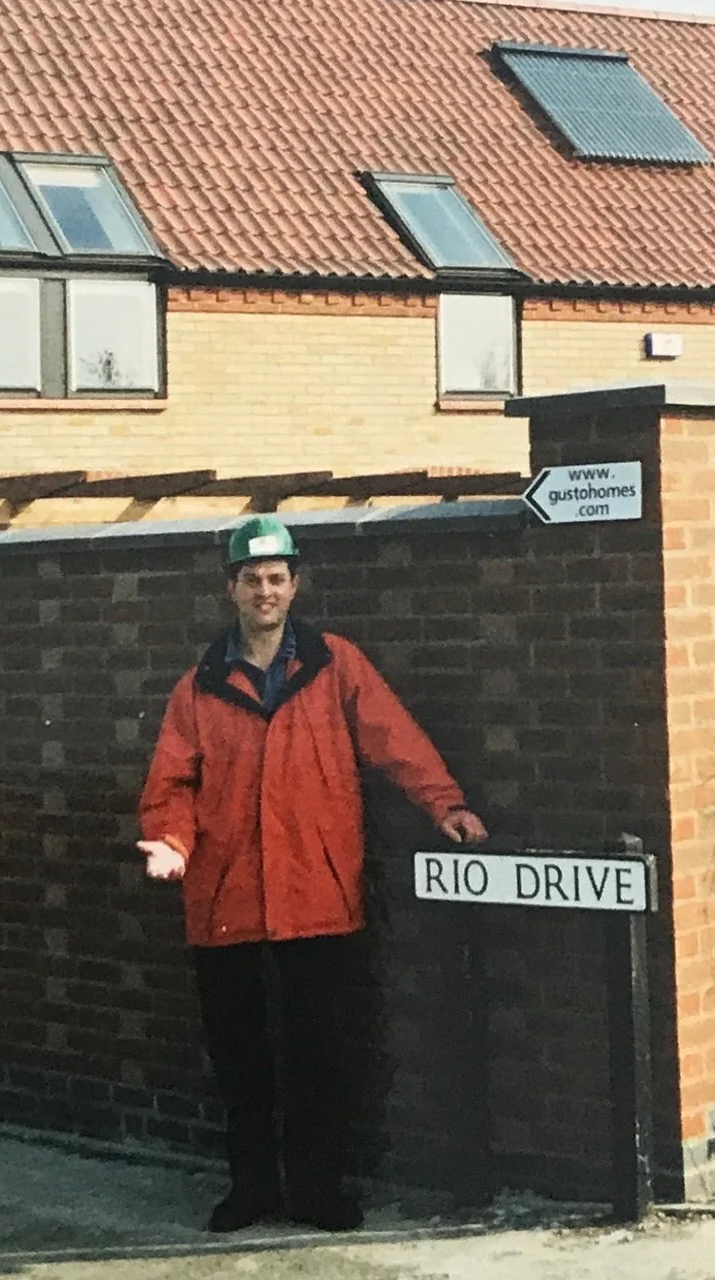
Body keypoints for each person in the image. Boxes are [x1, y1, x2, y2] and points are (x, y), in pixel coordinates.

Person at [136, 514, 488, 1233]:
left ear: (295, 584)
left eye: (276, 578)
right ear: (231, 588)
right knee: (239, 1058)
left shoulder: (336, 666)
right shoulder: (198, 688)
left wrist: (444, 804)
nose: (264, 591)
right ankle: (252, 1190)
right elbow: (171, 784)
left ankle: (317, 1191)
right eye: (251, 579)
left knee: (320, 1054)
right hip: (225, 898)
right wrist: (171, 841)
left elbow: (395, 740)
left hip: (317, 892)